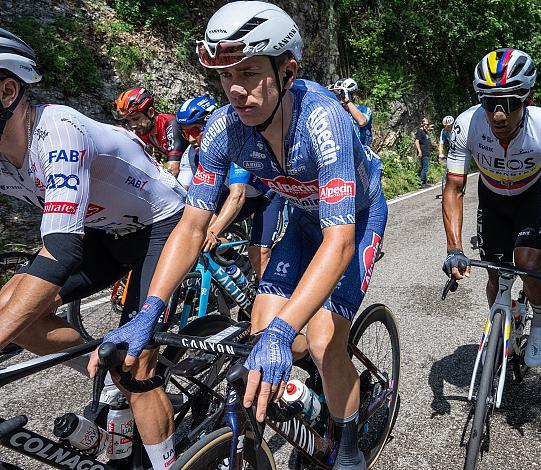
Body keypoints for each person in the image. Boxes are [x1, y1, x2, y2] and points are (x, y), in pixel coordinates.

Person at [88, 3, 387, 469]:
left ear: (288, 69)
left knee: (325, 340)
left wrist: (291, 325)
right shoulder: (223, 128)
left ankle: (347, 445)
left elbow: (340, 242)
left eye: (248, 72)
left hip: (355, 221)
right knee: (263, 333)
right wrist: (150, 310)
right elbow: (191, 226)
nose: (235, 89)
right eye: (225, 76)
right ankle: (307, 391)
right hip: (305, 220)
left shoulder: (324, 121)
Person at [0, 28, 186, 469]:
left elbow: (61, 251)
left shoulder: (57, 130)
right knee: (16, 314)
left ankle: (165, 458)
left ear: (7, 89)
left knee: (135, 365)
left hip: (158, 225)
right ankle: (105, 370)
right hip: (102, 232)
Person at [442, 48, 541, 368]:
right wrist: (454, 248)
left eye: (511, 101)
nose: (499, 114)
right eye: (490, 102)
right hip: (492, 198)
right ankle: (500, 321)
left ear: (528, 98)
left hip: (532, 193)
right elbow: (454, 188)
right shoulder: (467, 125)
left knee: (528, 265)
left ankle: (540, 320)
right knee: (496, 273)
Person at [175, 95, 285, 277]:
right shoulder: (191, 155)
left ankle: (269, 299)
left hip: (265, 197)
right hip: (236, 197)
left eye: (196, 130)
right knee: (196, 218)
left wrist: (212, 231)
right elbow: (182, 193)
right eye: (185, 133)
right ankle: (238, 271)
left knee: (258, 254)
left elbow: (238, 195)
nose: (191, 139)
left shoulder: (233, 143)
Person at [114, 86, 187, 177]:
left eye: (136, 119)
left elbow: (173, 169)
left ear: (150, 112)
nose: (133, 125)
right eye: (127, 121)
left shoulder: (170, 124)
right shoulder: (143, 130)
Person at [332, 78, 374, 147]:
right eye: (339, 97)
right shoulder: (337, 111)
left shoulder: (364, 109)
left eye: (343, 96)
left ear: (353, 95)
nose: (341, 100)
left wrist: (347, 101)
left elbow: (361, 121)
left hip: (363, 152)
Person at [415, 117, 432, 186]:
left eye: (427, 124)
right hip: (423, 152)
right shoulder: (420, 131)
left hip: (426, 152)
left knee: (424, 167)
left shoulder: (425, 132)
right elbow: (416, 141)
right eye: (425, 124)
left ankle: (424, 183)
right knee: (425, 168)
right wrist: (419, 151)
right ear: (422, 124)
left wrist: (428, 128)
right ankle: (421, 183)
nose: (427, 126)